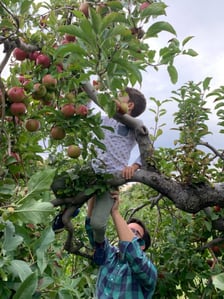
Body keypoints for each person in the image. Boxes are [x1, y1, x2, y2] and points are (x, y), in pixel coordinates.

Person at [52, 87, 147, 247]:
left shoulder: (136, 126)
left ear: (129, 105)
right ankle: (69, 209)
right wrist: (85, 92)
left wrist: (135, 165)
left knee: (98, 224)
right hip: (91, 169)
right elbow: (85, 113)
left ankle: (101, 247)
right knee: (57, 183)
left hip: (111, 179)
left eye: (119, 96)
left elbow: (148, 150)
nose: (115, 98)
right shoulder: (106, 120)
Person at [85, 192, 157, 299]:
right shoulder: (110, 255)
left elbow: (133, 252)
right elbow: (94, 231)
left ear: (142, 245)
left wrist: (115, 212)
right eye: (127, 229)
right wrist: (93, 194)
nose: (128, 232)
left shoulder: (150, 272)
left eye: (135, 232)